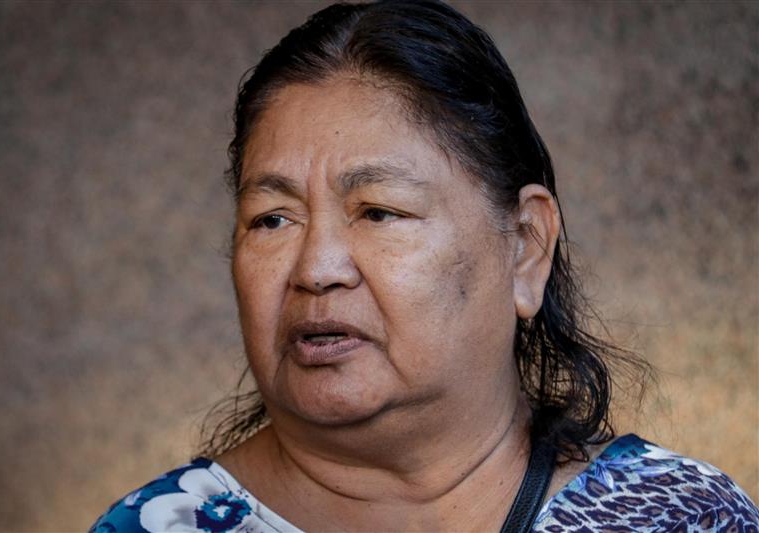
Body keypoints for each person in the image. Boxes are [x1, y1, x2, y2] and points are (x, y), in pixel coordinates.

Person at [91, 1, 759, 531]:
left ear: (526, 246)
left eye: (378, 211)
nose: (316, 269)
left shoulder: (680, 517)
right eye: (272, 219)